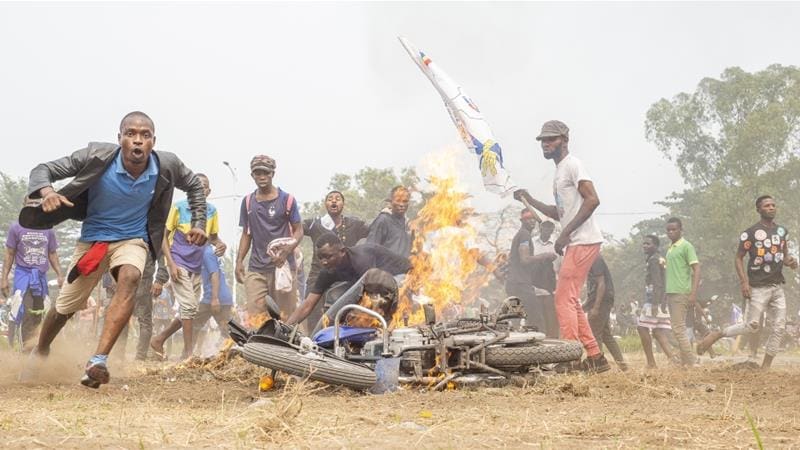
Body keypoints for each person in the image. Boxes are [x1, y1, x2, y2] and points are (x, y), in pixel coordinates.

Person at [19, 111, 207, 388]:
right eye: (130, 134)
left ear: (153, 141)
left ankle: (98, 360)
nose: (137, 141)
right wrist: (47, 193)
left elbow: (194, 185)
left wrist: (199, 222)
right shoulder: (95, 156)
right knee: (64, 308)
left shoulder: (167, 165)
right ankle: (42, 349)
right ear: (119, 139)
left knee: (130, 277)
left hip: (133, 239)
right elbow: (42, 169)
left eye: (145, 135)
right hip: (94, 241)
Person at [513, 120, 609, 373]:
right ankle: (595, 357)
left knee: (562, 298)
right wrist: (529, 199)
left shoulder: (573, 165)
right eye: (543, 140)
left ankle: (569, 358)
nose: (546, 144)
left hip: (582, 240)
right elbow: (559, 212)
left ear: (564, 140)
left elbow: (592, 200)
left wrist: (566, 233)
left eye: (551, 139)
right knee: (571, 299)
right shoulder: (559, 172)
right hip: (578, 241)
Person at [697, 196, 797, 369]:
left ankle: (765, 366)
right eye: (767, 206)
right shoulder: (750, 233)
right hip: (757, 287)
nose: (771, 208)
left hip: (777, 286)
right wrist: (744, 282)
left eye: (773, 205)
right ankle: (719, 333)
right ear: (759, 209)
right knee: (751, 326)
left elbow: (784, 256)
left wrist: (791, 262)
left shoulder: (782, 232)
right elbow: (738, 258)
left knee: (779, 328)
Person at [150, 174, 225, 359]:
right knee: (190, 307)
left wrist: (220, 244)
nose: (200, 190)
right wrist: (171, 264)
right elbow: (163, 237)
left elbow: (213, 237)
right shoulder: (178, 207)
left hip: (198, 267)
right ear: (191, 191)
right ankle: (189, 354)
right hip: (178, 262)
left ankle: (159, 339)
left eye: (204, 187)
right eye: (196, 187)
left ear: (208, 192)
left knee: (189, 309)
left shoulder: (212, 211)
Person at [286, 233, 411, 330]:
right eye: (321, 258)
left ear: (342, 252)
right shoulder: (327, 270)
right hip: (374, 284)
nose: (324, 262)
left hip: (404, 277)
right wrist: (286, 326)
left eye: (328, 256)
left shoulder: (362, 260)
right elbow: (307, 304)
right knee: (335, 294)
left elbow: (374, 294)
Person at [235, 155, 303, 320]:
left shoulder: (287, 200)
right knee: (256, 314)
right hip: (257, 267)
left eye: (265, 172)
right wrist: (239, 261)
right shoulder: (248, 202)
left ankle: (288, 345)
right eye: (257, 173)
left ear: (273, 173)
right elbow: (246, 233)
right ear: (252, 175)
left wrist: (287, 251)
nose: (262, 176)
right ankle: (258, 344)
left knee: (285, 316)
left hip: (283, 267)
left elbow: (298, 230)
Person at [302, 190, 369, 330]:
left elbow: (374, 230)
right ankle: (312, 343)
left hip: (344, 277)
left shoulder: (354, 224)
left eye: (337, 199)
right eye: (330, 199)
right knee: (313, 314)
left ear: (343, 204)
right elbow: (295, 228)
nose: (334, 201)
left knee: (344, 314)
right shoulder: (316, 224)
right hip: (318, 275)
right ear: (325, 204)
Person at [2, 220, 63, 349]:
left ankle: (36, 346)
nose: (34, 205)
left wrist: (60, 275)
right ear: (25, 205)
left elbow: (52, 253)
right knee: (19, 308)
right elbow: (9, 253)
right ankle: (16, 346)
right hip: (23, 275)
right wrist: (4, 278)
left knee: (42, 312)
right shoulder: (16, 227)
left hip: (41, 278)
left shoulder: (48, 228)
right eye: (30, 202)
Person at [504, 210, 557, 332]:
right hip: (521, 284)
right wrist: (545, 255)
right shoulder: (524, 235)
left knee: (516, 320)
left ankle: (518, 349)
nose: (532, 221)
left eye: (533, 218)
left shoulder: (521, 235)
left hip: (514, 284)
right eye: (528, 218)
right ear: (522, 221)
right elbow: (525, 259)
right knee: (536, 318)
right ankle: (540, 348)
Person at [664, 217, 700, 367]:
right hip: (671, 292)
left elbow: (697, 269)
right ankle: (685, 360)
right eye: (668, 230)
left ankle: (692, 361)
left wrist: (693, 293)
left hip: (681, 292)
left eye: (674, 229)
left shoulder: (686, 246)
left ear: (681, 230)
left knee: (678, 328)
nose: (671, 232)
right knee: (677, 328)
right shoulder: (670, 248)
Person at [637, 234, 676, 368]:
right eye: (644, 244)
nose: (645, 246)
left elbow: (657, 282)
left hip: (654, 299)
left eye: (648, 244)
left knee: (642, 328)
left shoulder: (654, 260)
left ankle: (651, 362)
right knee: (658, 331)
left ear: (656, 246)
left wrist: (654, 303)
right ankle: (673, 358)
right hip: (662, 299)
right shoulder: (660, 258)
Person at [584, 254, 627, 370]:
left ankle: (597, 365)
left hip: (601, 300)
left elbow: (601, 284)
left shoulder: (595, 258)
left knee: (594, 333)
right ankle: (621, 363)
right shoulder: (590, 258)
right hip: (600, 299)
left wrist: (596, 307)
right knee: (606, 334)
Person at [192, 243, 234, 351]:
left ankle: (187, 353)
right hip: (220, 297)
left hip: (214, 297)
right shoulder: (210, 251)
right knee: (227, 330)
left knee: (194, 324)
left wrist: (214, 299)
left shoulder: (207, 253)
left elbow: (215, 274)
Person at [531, 220, 560, 338]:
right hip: (534, 288)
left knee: (552, 319)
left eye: (550, 227)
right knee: (537, 320)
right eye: (545, 227)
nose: (547, 230)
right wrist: (543, 257)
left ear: (553, 229)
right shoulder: (531, 243)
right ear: (540, 228)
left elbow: (562, 267)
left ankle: (553, 345)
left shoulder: (557, 245)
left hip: (552, 289)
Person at [366, 186, 412, 258]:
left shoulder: (409, 225)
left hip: (405, 268)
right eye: (398, 200)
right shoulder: (383, 220)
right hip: (385, 268)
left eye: (405, 201)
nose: (401, 204)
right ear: (391, 202)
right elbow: (369, 249)